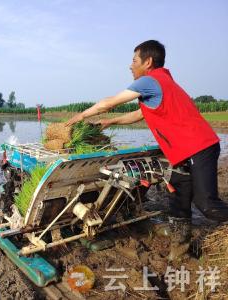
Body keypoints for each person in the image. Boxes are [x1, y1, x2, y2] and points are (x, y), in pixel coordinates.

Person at [66, 40, 228, 261]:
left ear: (148, 62)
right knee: (179, 201)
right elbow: (140, 114)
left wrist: (83, 115)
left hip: (199, 148)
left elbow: (110, 101)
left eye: (134, 60)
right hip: (184, 153)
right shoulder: (160, 83)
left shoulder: (149, 81)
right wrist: (109, 122)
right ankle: (180, 253)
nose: (130, 66)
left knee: (207, 205)